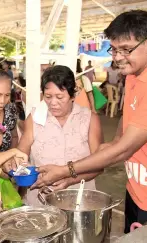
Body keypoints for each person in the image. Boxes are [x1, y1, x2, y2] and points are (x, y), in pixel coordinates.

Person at [33, 10, 147, 233]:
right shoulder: (136, 74)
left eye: (126, 49)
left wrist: (66, 170)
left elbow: (122, 151)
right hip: (137, 188)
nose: (117, 57)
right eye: (114, 49)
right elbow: (126, 124)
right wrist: (109, 147)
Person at [18, 65, 103, 205]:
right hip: (40, 200)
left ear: (73, 95)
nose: (53, 103)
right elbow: (21, 157)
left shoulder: (89, 119)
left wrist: (69, 180)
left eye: (60, 97)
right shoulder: (35, 118)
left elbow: (99, 165)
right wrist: (16, 166)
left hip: (78, 201)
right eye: (48, 96)